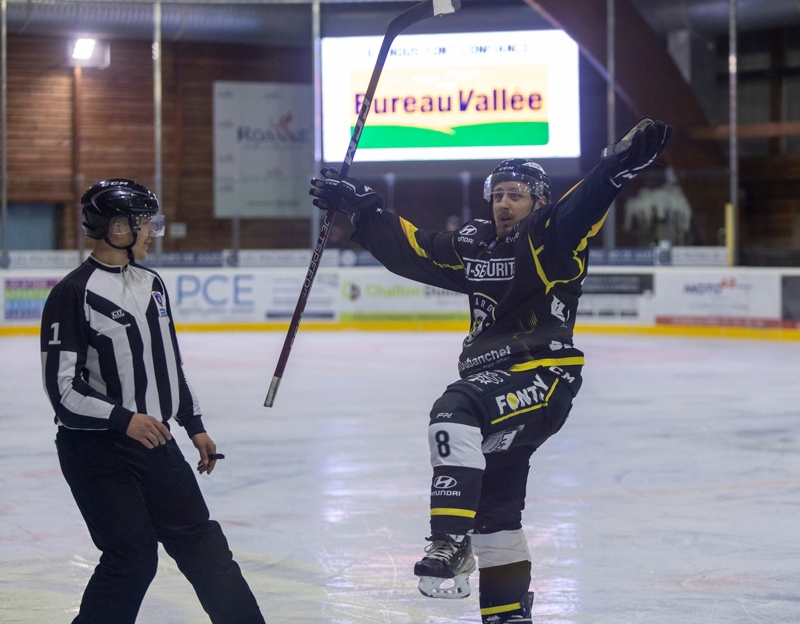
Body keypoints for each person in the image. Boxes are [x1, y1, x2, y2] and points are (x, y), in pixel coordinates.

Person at [310, 119, 671, 623]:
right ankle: (506, 614)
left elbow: (581, 207)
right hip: (496, 382)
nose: (504, 203)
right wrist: (363, 208)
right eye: (497, 194)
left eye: (516, 195)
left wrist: (616, 167)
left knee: (453, 410)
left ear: (538, 201)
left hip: (542, 377)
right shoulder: (476, 246)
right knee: (497, 518)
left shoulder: (550, 238)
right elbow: (413, 251)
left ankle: (448, 543)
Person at [40, 179, 265, 624]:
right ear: (116, 228)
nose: (151, 234)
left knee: (203, 544)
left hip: (154, 442)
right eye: (145, 224)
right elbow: (64, 392)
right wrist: (124, 420)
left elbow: (168, 364)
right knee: (132, 558)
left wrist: (193, 423)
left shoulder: (152, 283)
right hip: (97, 450)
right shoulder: (73, 293)